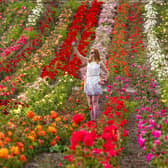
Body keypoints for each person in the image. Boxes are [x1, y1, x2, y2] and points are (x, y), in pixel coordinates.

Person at [72, 42, 109, 121]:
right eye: (91, 53)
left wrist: (104, 80)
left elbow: (107, 72)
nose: (91, 54)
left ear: (96, 54)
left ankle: (95, 118)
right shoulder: (88, 61)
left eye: (93, 53)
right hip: (88, 81)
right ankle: (92, 118)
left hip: (95, 81)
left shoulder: (99, 63)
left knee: (94, 101)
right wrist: (75, 47)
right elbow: (79, 56)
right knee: (90, 102)